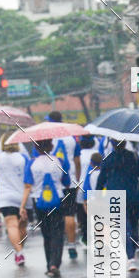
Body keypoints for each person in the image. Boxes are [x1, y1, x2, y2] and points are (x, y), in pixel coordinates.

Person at [21, 139, 70, 278]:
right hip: (57, 200)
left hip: (39, 202)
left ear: (36, 147)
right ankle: (55, 263)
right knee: (57, 233)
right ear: (52, 146)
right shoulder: (60, 161)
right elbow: (66, 182)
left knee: (46, 233)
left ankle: (49, 265)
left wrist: (22, 206)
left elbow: (28, 185)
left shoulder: (31, 163)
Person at [96, 139, 139, 271]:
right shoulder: (133, 156)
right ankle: (134, 245)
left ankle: (130, 257)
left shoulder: (108, 159)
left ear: (112, 144)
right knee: (134, 222)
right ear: (125, 143)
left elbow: (101, 180)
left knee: (124, 227)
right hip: (134, 195)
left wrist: (97, 196)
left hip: (116, 196)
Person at [0, 136, 27, 266]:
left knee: (11, 225)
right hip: (22, 197)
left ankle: (19, 253)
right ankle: (19, 250)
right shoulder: (23, 158)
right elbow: (29, 178)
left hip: (5, 197)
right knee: (22, 225)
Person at [47, 110, 80, 260]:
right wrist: (77, 178)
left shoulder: (47, 137)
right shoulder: (71, 137)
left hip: (53, 183)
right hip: (71, 180)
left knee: (54, 217)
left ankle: (56, 245)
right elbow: (77, 160)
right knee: (69, 214)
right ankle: (72, 244)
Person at [75, 135, 96, 246]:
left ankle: (86, 236)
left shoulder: (79, 155)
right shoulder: (98, 153)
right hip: (96, 186)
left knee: (82, 213)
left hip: (81, 186)